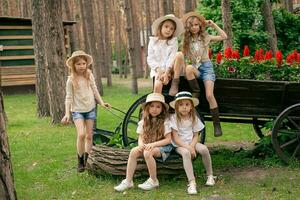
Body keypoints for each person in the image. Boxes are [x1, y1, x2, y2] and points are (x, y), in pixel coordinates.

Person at [61, 50, 111, 173]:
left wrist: (101, 102)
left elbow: (95, 90)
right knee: (81, 134)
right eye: (78, 64)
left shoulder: (89, 75)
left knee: (89, 136)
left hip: (90, 109)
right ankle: (80, 160)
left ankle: (88, 160)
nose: (81, 66)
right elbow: (68, 97)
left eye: (83, 63)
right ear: (73, 65)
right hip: (77, 110)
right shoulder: (70, 80)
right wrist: (67, 113)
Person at [181, 12, 227, 137]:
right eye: (192, 25)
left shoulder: (205, 37)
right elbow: (183, 57)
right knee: (188, 68)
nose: (195, 27)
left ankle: (216, 125)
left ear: (200, 26)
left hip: (206, 68)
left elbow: (224, 36)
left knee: (209, 95)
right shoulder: (186, 40)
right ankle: (196, 90)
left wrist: (213, 25)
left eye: (197, 25)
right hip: (195, 69)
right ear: (188, 27)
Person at [114, 93, 173, 192]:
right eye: (152, 106)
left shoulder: (165, 122)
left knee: (147, 152)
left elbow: (168, 140)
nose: (155, 109)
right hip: (148, 145)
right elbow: (140, 137)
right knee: (133, 151)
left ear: (162, 109)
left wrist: (153, 145)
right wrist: (141, 145)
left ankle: (153, 180)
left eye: (158, 107)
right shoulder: (143, 121)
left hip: (162, 147)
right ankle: (128, 181)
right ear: (147, 108)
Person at [170, 91, 215, 195]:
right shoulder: (173, 119)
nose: (184, 107)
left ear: (191, 107)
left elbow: (196, 136)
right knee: (186, 153)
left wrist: (192, 146)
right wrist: (189, 148)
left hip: (191, 142)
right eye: (181, 105)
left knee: (203, 149)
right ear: (176, 107)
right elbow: (176, 139)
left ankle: (210, 175)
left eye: (187, 104)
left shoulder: (194, 118)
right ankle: (192, 182)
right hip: (179, 145)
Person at [147, 14, 185, 96]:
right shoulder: (153, 41)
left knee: (179, 54)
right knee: (157, 85)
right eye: (166, 26)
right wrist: (159, 70)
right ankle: (158, 104)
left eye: (171, 29)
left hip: (171, 68)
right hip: (158, 69)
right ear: (161, 27)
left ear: (173, 31)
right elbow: (150, 58)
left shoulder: (173, 41)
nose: (168, 30)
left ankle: (175, 83)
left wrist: (167, 72)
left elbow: (172, 57)